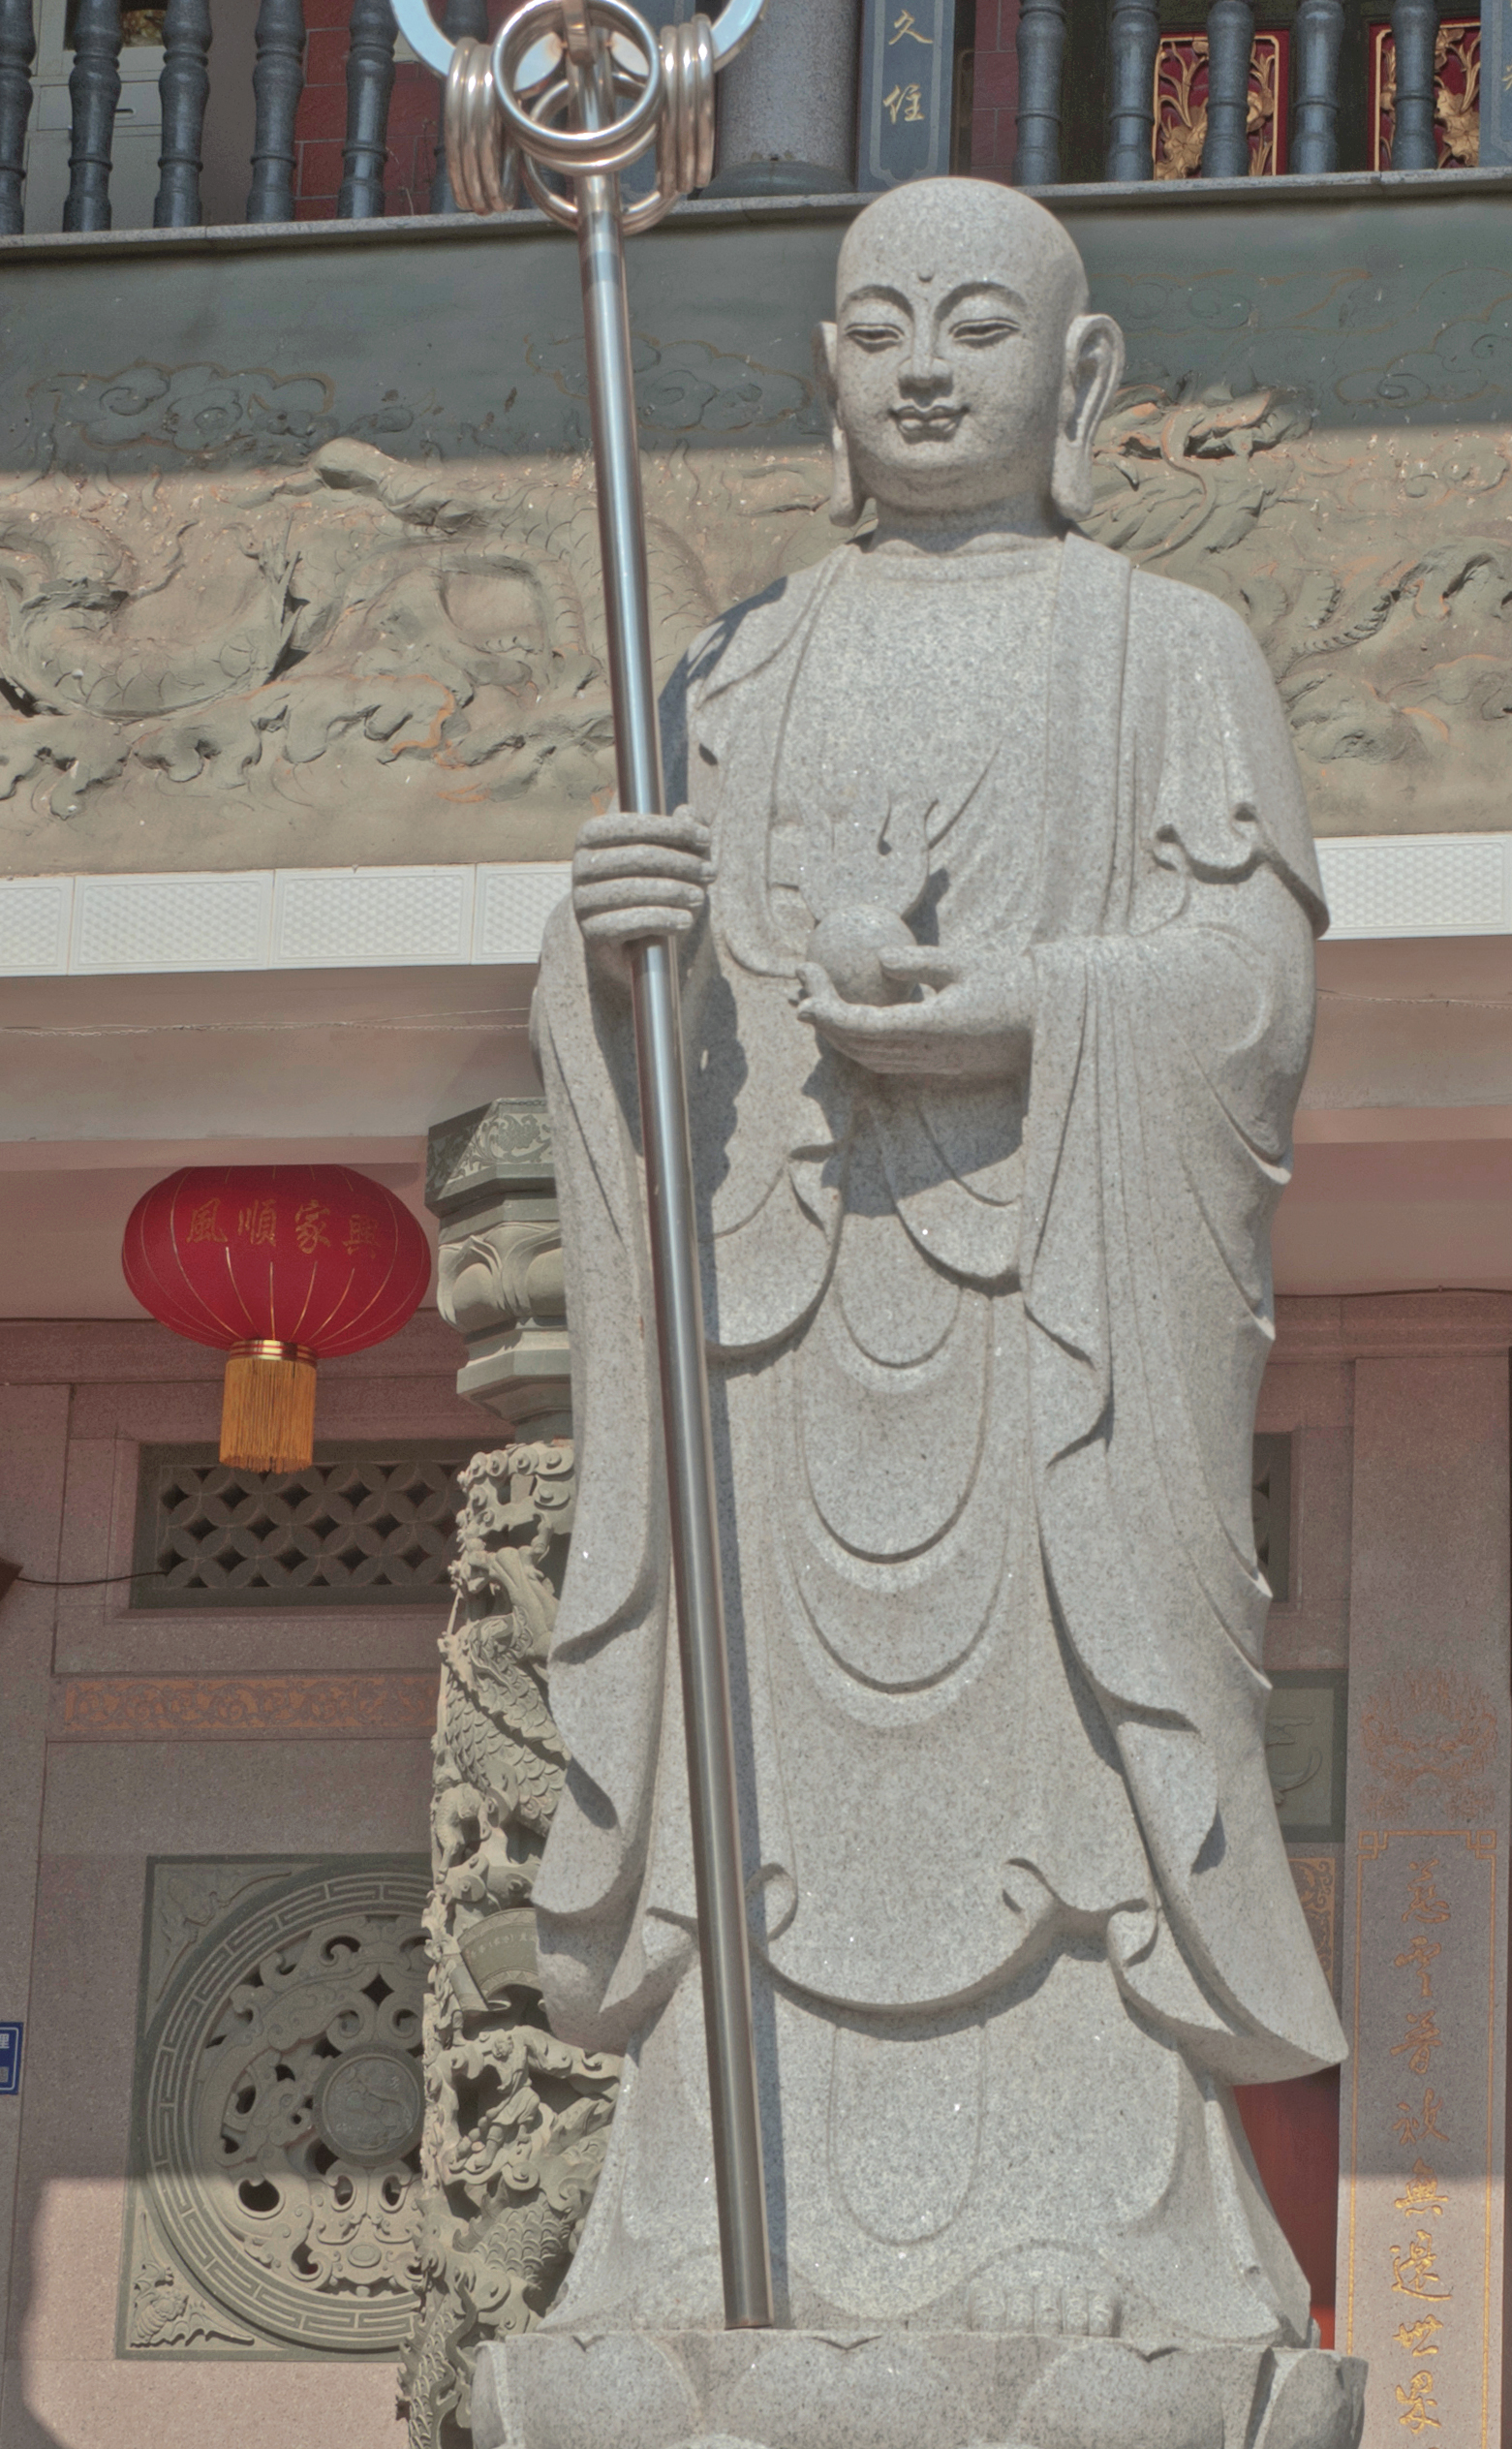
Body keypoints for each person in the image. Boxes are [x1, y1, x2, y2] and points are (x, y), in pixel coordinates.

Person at [533, 177, 1341, 2346]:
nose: (916, 365)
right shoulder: (732, 659)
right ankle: (712, 2230)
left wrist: (1040, 1012)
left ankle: (1101, 2230)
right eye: (875, 324)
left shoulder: (1164, 648)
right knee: (753, 1787)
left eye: (973, 326)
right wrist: (609, 951)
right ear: (823, 375)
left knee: (1070, 1777)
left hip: (1041, 1332)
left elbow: (1249, 979)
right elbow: (653, 1027)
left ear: (1077, 379)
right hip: (779, 1324)